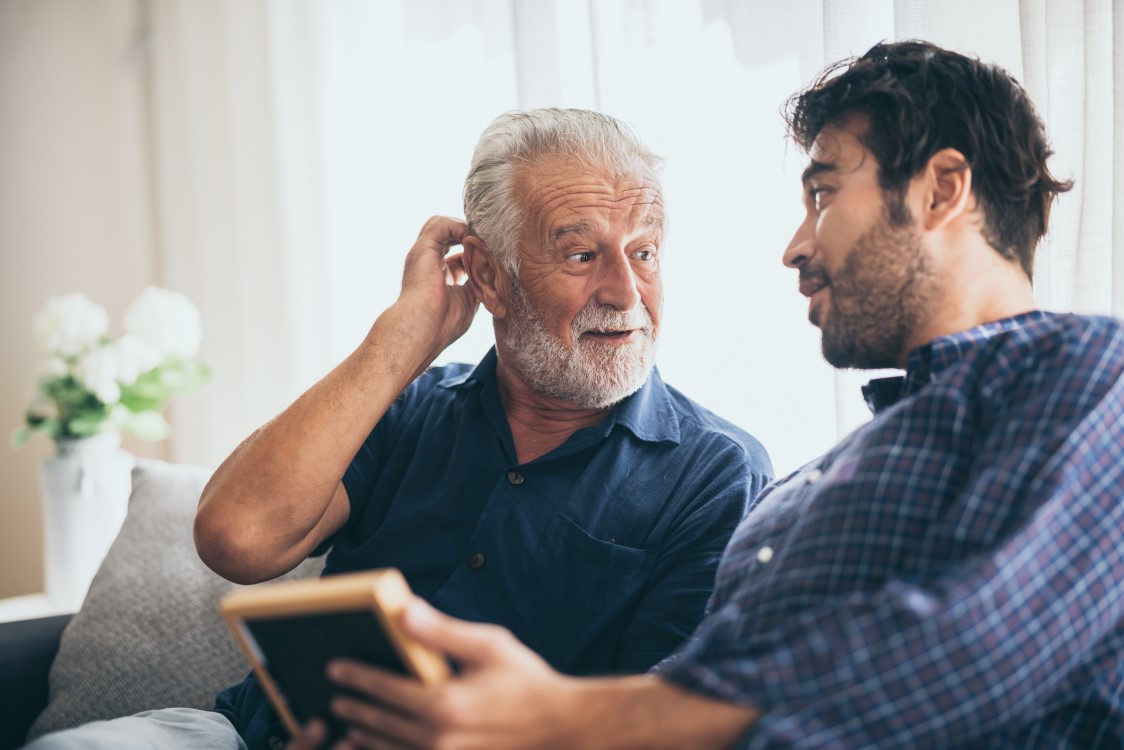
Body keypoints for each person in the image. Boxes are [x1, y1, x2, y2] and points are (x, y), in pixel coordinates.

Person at [294, 41, 1124, 749]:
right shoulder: (845, 465)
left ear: (942, 190)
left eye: (825, 192)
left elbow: (966, 652)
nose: (795, 245)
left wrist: (562, 714)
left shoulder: (1097, 380)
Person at [23, 109, 772, 750]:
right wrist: (403, 338)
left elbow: (658, 725)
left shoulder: (716, 473)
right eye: (582, 254)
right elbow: (235, 537)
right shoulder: (414, 404)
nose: (626, 291)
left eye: (644, 252)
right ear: (488, 278)